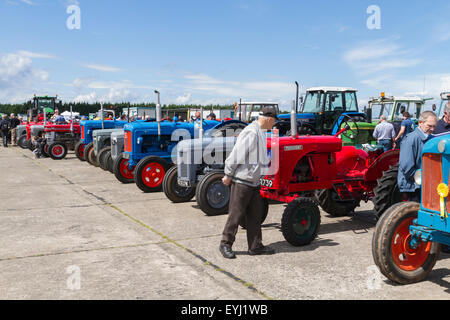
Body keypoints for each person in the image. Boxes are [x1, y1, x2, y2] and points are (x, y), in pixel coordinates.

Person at [219, 107, 278, 259]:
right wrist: (228, 174)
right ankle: (225, 243)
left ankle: (255, 246)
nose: (273, 126)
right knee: (236, 214)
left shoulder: (260, 133)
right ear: (269, 119)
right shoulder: (251, 132)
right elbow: (237, 154)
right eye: (273, 123)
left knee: (255, 216)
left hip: (254, 181)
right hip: (243, 181)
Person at [398, 111, 438, 202]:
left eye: (434, 126)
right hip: (414, 187)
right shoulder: (411, 139)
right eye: (429, 126)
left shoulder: (432, 139)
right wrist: (423, 179)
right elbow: (406, 166)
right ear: (420, 123)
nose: (432, 129)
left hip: (427, 185)